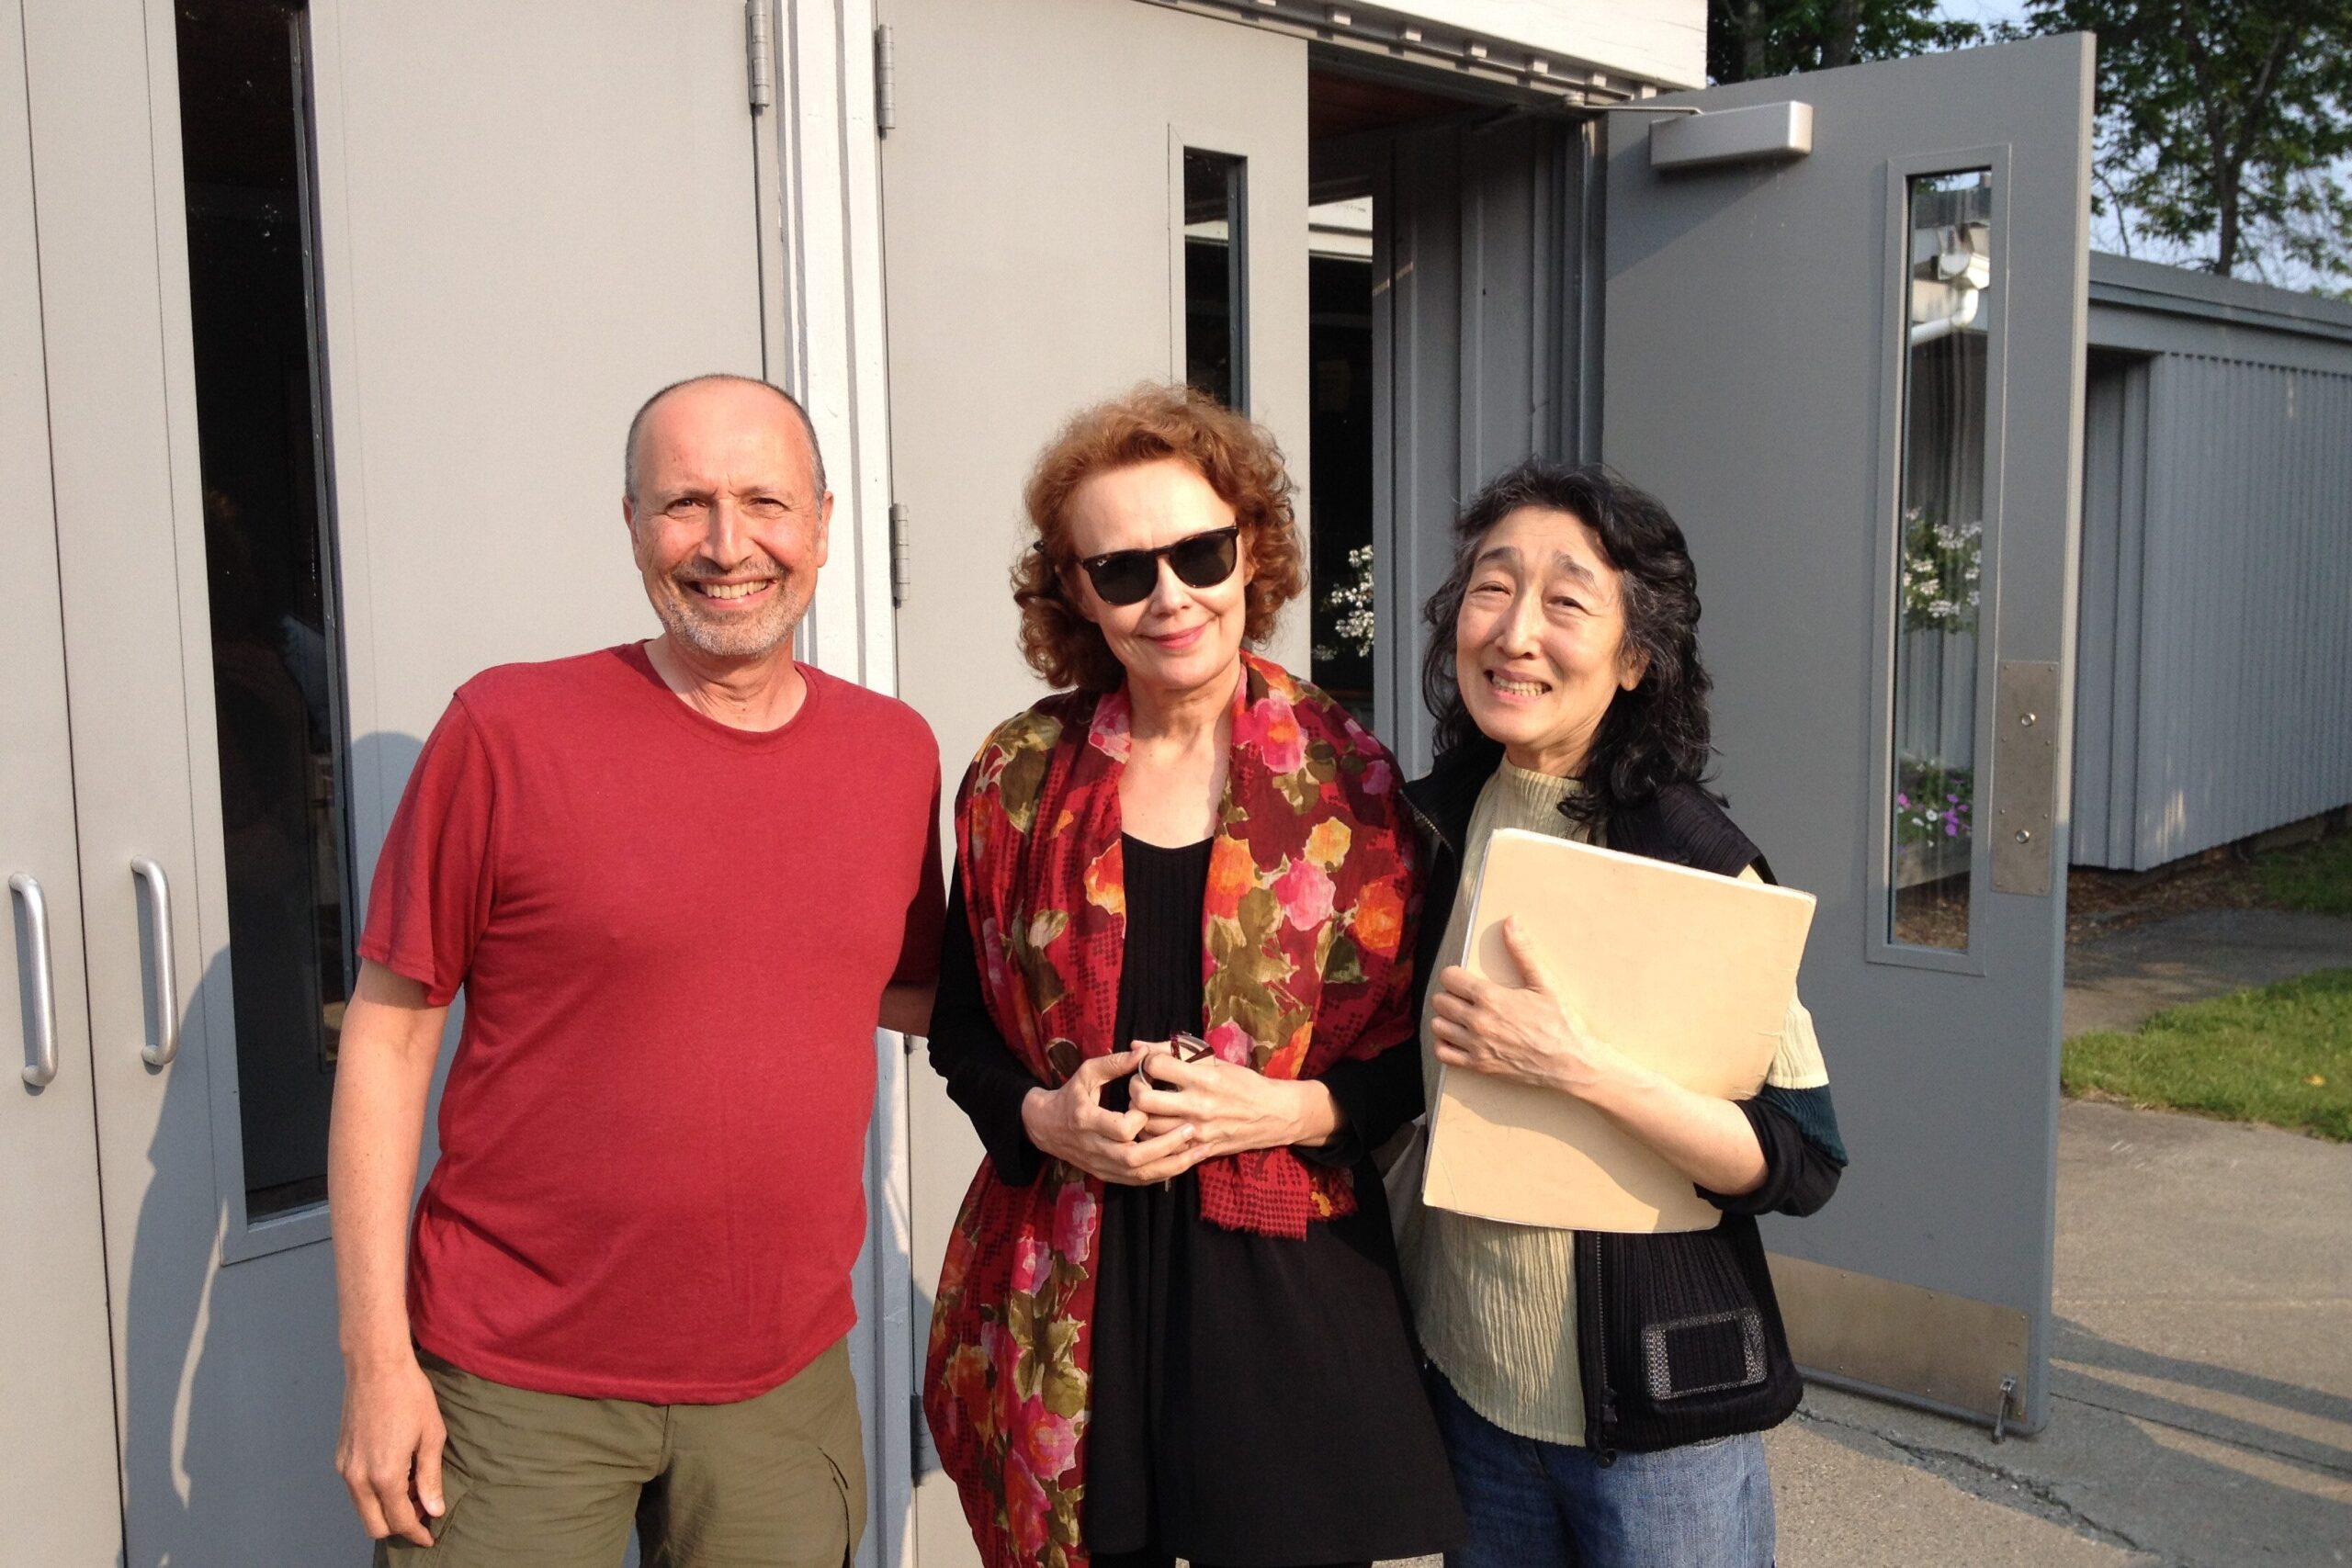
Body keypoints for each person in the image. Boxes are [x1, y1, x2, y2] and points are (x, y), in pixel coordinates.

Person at [328, 374, 944, 1567]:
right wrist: (375, 1358)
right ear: (630, 524)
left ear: (821, 520)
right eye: (685, 503)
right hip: (514, 1385)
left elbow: (894, 985)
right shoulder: (508, 729)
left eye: (764, 500)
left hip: (779, 1383)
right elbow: (391, 1032)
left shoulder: (893, 751)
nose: (727, 545)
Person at [921, 384, 1463, 1568]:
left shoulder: (1358, 785)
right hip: (1071, 1281)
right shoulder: (1014, 777)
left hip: (1282, 1286)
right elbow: (961, 1025)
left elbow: (1420, 1057)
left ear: (1250, 551)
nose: (1169, 596)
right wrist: (1041, 1118)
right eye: (1121, 570)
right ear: (1074, 592)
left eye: (1200, 553)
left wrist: (1299, 1107)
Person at [1398, 459, 1846, 1568]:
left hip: (1656, 1422)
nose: (1514, 632)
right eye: (1491, 589)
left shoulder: (1690, 860)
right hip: (1468, 1387)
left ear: (1636, 657)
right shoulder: (1431, 824)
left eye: (1566, 601)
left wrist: (1576, 1067)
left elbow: (1800, 1160)